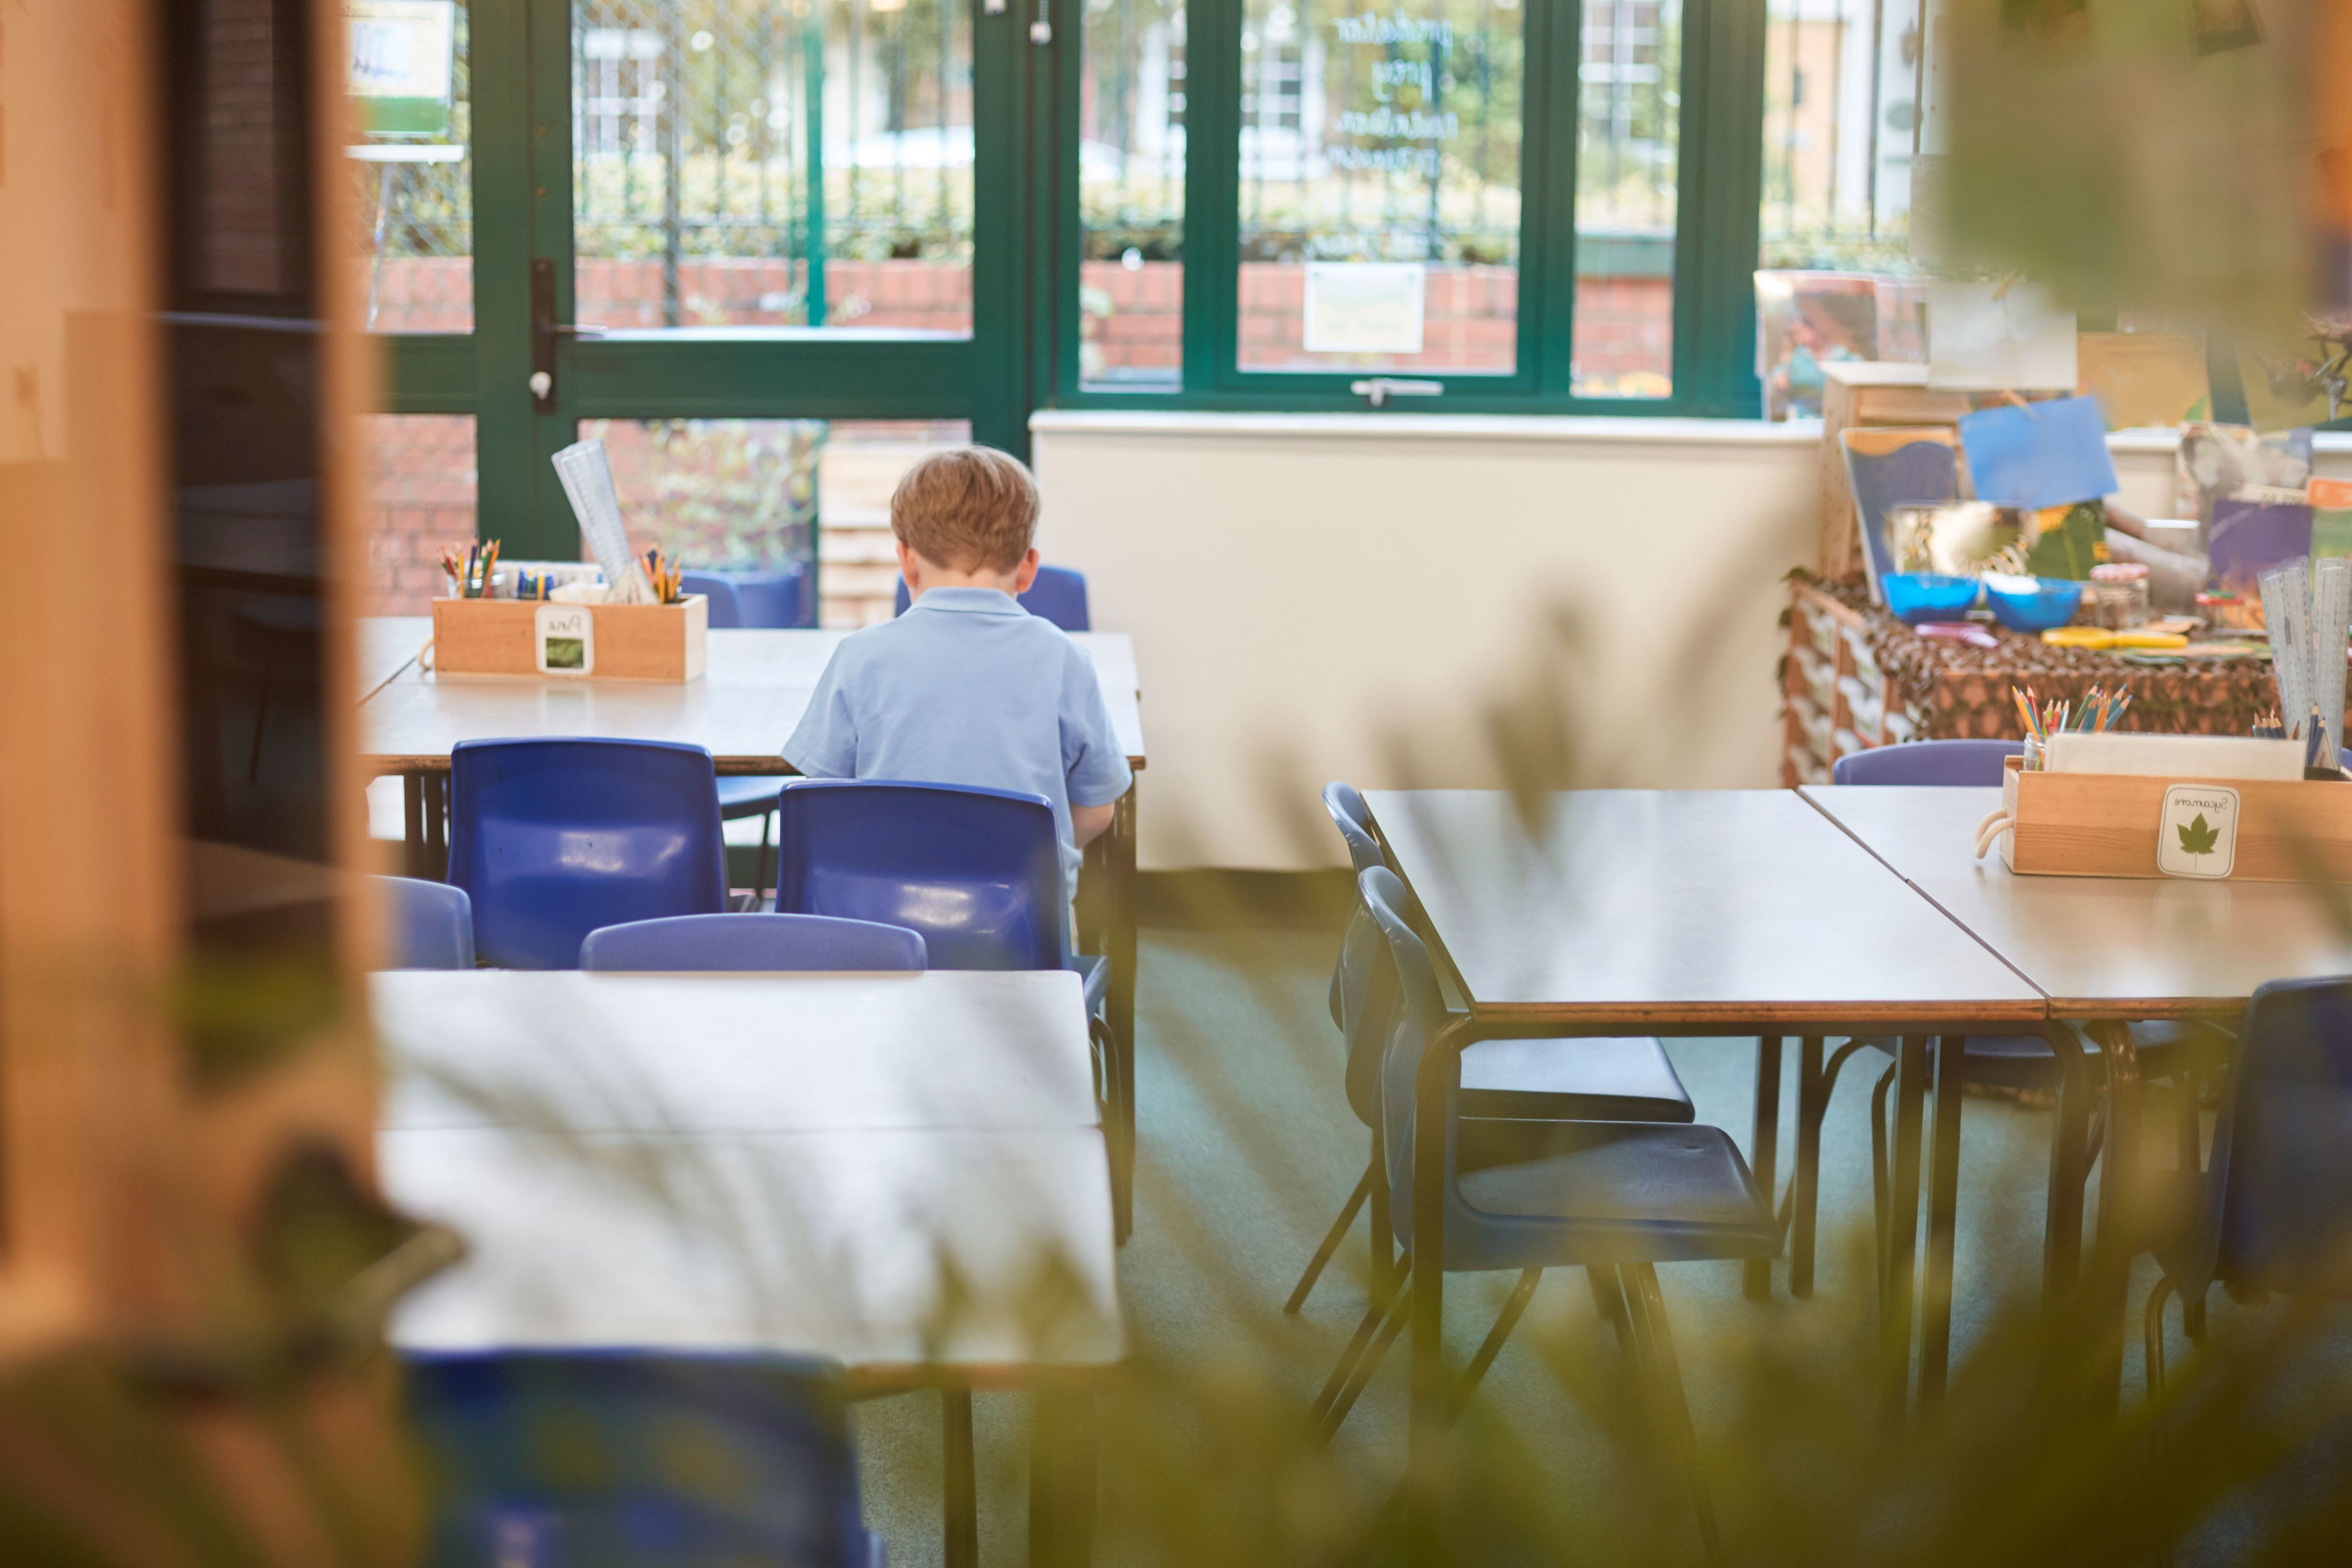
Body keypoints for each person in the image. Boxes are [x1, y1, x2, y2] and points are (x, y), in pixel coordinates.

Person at [783, 445, 1131, 913]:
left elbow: (824, 807)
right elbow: (1097, 810)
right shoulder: (1068, 661)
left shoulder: (859, 658)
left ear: (906, 561)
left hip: (883, 928)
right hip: (1026, 935)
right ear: (1028, 567)